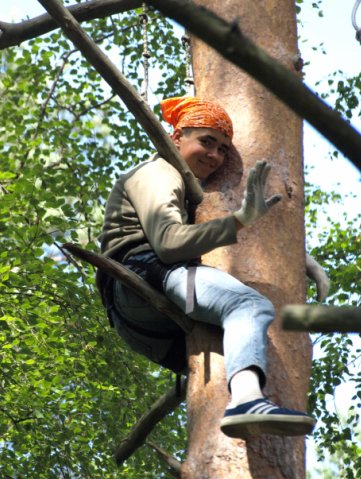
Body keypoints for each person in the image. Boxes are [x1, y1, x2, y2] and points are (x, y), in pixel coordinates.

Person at [96, 96, 316, 439]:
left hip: (150, 320)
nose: (215, 156)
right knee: (247, 303)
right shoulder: (157, 171)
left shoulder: (186, 190)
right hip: (140, 279)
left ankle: (241, 401)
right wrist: (240, 220)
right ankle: (247, 402)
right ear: (176, 138)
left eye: (223, 149)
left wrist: (298, 259)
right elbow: (168, 243)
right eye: (206, 142)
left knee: (227, 339)